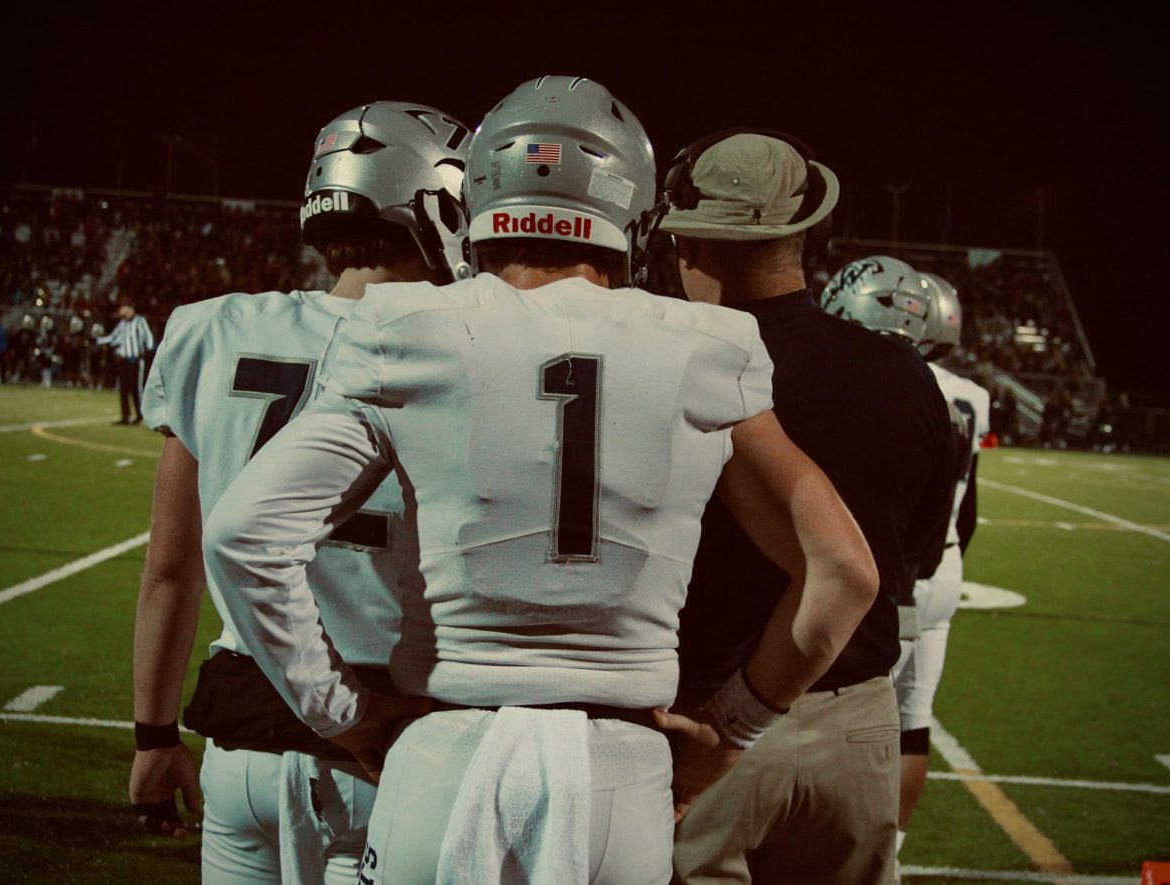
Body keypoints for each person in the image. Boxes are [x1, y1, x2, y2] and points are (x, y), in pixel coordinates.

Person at [203, 76, 878, 884]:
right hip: (620, 773)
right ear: (631, 211)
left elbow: (245, 534)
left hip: (444, 754)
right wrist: (730, 732)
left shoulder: (407, 327)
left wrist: (340, 711)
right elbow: (843, 571)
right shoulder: (704, 345)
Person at [129, 101, 472, 884]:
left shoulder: (212, 330)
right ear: (443, 202)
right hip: (388, 740)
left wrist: (153, 736)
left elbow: (171, 568)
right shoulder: (461, 344)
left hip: (243, 743)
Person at [664, 135, 956, 885]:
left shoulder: (673, 367)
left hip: (704, 719)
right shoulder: (904, 372)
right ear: (800, 232)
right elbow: (916, 554)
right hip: (855, 724)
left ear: (692, 238)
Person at [891, 272, 991, 868]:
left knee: (858, 713)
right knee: (914, 718)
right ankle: (895, 852)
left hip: (899, 567)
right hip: (946, 563)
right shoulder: (973, 395)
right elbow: (970, 507)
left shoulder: (896, 381)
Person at [96, 297, 155, 424]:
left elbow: (148, 337)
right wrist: (98, 341)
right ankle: (125, 416)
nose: (120, 310)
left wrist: (148, 352)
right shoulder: (122, 323)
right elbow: (113, 337)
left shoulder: (140, 321)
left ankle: (140, 414)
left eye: (122, 307)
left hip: (135, 361)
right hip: (123, 361)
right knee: (123, 389)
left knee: (136, 388)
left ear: (129, 308)